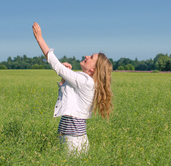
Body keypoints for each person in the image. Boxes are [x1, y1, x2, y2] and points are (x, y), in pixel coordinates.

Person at [32, 22, 113, 154]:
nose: (87, 56)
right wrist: (65, 77)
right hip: (77, 137)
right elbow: (69, 95)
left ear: (93, 69)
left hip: (72, 138)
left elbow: (56, 66)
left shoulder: (84, 81)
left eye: (91, 57)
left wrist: (39, 38)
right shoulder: (86, 82)